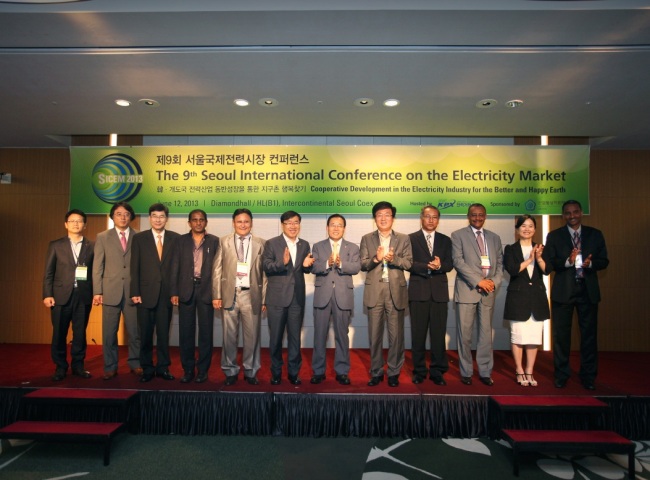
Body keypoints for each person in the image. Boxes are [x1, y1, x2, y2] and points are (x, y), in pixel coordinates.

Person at [543, 200, 609, 390]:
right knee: (561, 337)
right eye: (568, 213)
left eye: (575, 212)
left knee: (589, 336)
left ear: (581, 213)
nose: (572, 216)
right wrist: (568, 261)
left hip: (587, 292)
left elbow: (604, 260)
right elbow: (550, 262)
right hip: (564, 292)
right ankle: (562, 375)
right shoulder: (554, 236)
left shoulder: (595, 234)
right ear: (563, 215)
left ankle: (588, 376)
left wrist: (590, 264)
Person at [360, 201, 412, 387]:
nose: (383, 218)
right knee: (374, 335)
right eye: (379, 215)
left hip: (395, 291)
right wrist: (377, 258)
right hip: (375, 290)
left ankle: (393, 372)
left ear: (393, 218)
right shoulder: (367, 238)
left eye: (387, 214)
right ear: (375, 218)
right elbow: (363, 264)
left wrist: (394, 259)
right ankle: (376, 371)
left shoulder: (403, 238)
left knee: (396, 335)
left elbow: (408, 263)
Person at [212, 208, 267, 386]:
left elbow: (265, 275)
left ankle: (251, 371)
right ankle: (230, 370)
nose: (243, 225)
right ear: (233, 223)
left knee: (252, 337)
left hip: (252, 296)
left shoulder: (261, 243)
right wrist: (217, 294)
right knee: (229, 337)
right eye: (239, 221)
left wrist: (264, 299)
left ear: (251, 223)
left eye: (246, 221)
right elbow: (217, 270)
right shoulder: (223, 242)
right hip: (230, 295)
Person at [451, 203, 503, 386]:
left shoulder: (495, 238)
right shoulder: (458, 235)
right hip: (467, 290)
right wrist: (478, 281)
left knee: (485, 334)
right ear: (468, 216)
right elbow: (458, 262)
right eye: (474, 215)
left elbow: (500, 265)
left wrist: (493, 283)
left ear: (486, 216)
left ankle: (485, 371)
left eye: (481, 215)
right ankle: (466, 371)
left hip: (488, 292)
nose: (477, 218)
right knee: (464, 335)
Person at [262, 211, 314, 385]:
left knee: (294, 338)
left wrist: (307, 267)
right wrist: (281, 263)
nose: (293, 226)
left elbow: (303, 269)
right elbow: (266, 266)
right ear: (282, 225)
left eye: (296, 222)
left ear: (300, 224)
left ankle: (293, 372)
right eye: (289, 222)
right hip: (276, 298)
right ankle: (276, 372)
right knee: (275, 338)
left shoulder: (305, 245)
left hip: (296, 299)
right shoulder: (271, 243)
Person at [130, 203, 180, 383]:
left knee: (163, 334)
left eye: (161, 216)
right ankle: (147, 368)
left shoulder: (176, 238)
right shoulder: (139, 239)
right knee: (145, 335)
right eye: (154, 216)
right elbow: (134, 267)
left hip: (166, 294)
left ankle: (163, 367)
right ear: (150, 218)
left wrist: (176, 292)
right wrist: (134, 291)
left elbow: (178, 269)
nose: (158, 219)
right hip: (144, 294)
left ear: (166, 218)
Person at [42, 209, 94, 381]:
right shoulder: (56, 245)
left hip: (83, 296)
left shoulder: (91, 246)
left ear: (85, 225)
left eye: (79, 221)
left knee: (80, 333)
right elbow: (48, 273)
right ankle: (60, 367)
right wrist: (47, 294)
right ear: (66, 224)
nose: (76, 224)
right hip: (60, 296)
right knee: (59, 333)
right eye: (72, 221)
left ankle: (78, 366)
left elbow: (94, 272)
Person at [92, 201, 142, 380]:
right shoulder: (103, 237)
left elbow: (142, 267)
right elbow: (97, 266)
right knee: (109, 333)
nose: (123, 217)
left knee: (135, 332)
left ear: (131, 217)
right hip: (110, 291)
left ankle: (135, 363)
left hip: (132, 292)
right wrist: (97, 291)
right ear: (112, 216)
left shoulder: (139, 236)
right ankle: (110, 366)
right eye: (119, 213)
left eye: (127, 214)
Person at [310, 214, 361, 386]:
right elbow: (313, 267)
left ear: (344, 228)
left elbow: (356, 267)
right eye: (333, 225)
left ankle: (342, 371)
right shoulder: (318, 246)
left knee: (342, 335)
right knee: (319, 335)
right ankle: (318, 371)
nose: (336, 228)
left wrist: (340, 264)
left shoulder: (353, 247)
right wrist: (326, 263)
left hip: (343, 296)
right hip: (322, 296)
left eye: (340, 225)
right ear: (327, 227)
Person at [170, 209, 219, 384]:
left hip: (206, 291)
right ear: (189, 222)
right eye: (194, 220)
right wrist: (174, 291)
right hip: (185, 291)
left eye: (201, 220)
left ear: (206, 222)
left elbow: (218, 270)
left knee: (206, 333)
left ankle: (203, 371)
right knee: (186, 333)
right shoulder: (180, 241)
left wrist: (217, 293)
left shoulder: (214, 241)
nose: (198, 222)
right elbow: (174, 266)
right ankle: (188, 369)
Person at [407, 205, 453, 386]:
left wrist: (440, 266)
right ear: (421, 218)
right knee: (418, 334)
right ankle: (419, 371)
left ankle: (437, 371)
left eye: (434, 217)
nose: (431, 220)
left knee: (438, 334)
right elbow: (408, 263)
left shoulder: (445, 240)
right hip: (418, 292)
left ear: (438, 220)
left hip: (439, 293)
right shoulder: (411, 239)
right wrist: (427, 266)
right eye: (427, 216)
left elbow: (450, 264)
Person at [503, 215, 550, 387]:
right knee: (518, 337)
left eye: (530, 226)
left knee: (533, 338)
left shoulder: (542, 248)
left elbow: (547, 270)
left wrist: (538, 258)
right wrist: (529, 259)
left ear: (535, 229)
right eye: (523, 226)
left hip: (536, 298)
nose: (527, 229)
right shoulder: (510, 249)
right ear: (517, 230)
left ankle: (529, 370)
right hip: (518, 298)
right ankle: (519, 370)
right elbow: (512, 270)